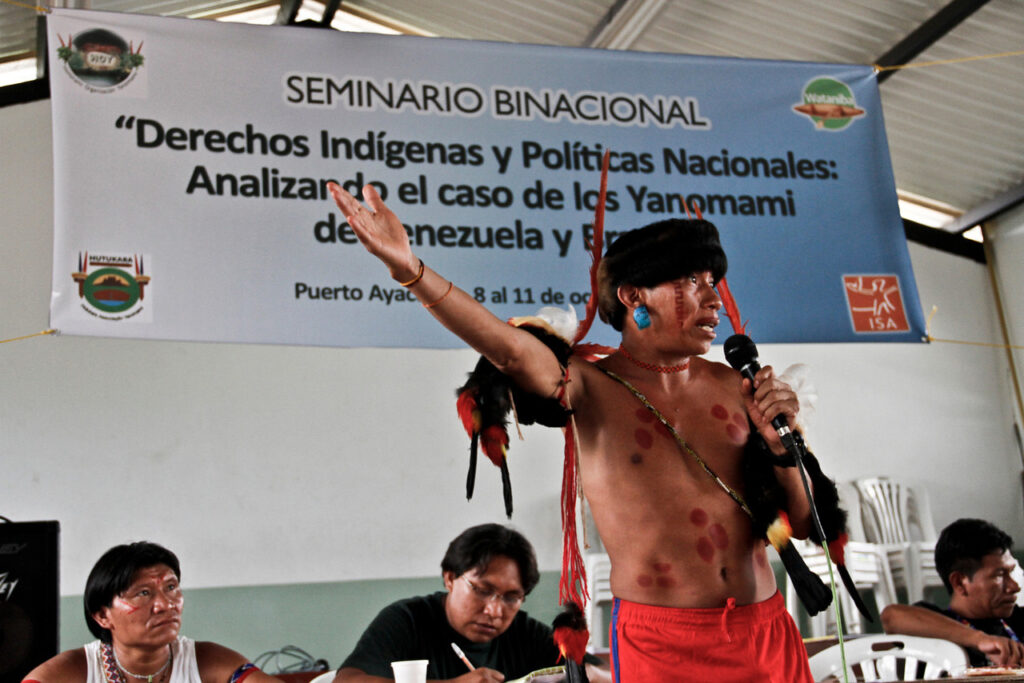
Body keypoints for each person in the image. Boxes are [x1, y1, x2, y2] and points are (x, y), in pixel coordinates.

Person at [328, 182, 815, 682]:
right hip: (663, 644)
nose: (713, 298)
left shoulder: (740, 387)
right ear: (633, 296)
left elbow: (803, 523)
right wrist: (411, 271)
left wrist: (784, 448)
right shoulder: (587, 386)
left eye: (714, 281)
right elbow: (511, 350)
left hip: (766, 632)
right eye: (692, 280)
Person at [336, 523, 608, 682]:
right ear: (450, 578)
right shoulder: (407, 620)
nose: (494, 610)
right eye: (481, 590)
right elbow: (345, 681)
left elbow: (598, 672)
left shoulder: (524, 632)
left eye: (512, 597)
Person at [22, 542, 282, 683]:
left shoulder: (207, 661)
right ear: (102, 616)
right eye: (143, 593)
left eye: (171, 587)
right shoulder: (73, 671)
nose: (165, 604)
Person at [881, 518, 1024, 668]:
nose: (1014, 587)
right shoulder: (934, 628)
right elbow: (891, 616)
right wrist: (980, 640)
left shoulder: (1017, 621)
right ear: (959, 582)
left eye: (1011, 572)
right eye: (999, 576)